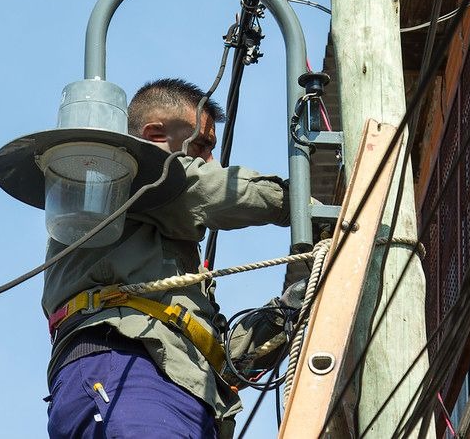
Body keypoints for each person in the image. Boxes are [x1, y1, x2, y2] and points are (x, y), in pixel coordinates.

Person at [44, 78, 294, 438]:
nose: (212, 162)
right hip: (129, 367)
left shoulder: (160, 271)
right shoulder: (130, 179)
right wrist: (315, 208)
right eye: (203, 146)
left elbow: (224, 355)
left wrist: (289, 313)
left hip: (175, 390)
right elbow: (217, 190)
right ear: (156, 135)